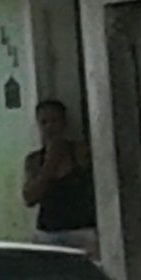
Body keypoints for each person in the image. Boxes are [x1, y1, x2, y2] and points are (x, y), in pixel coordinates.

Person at [22, 99, 98, 258]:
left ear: (64, 123)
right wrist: (50, 163)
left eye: (54, 121)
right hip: (48, 233)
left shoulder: (81, 152)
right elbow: (29, 198)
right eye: (44, 122)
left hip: (82, 232)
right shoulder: (34, 160)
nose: (50, 127)